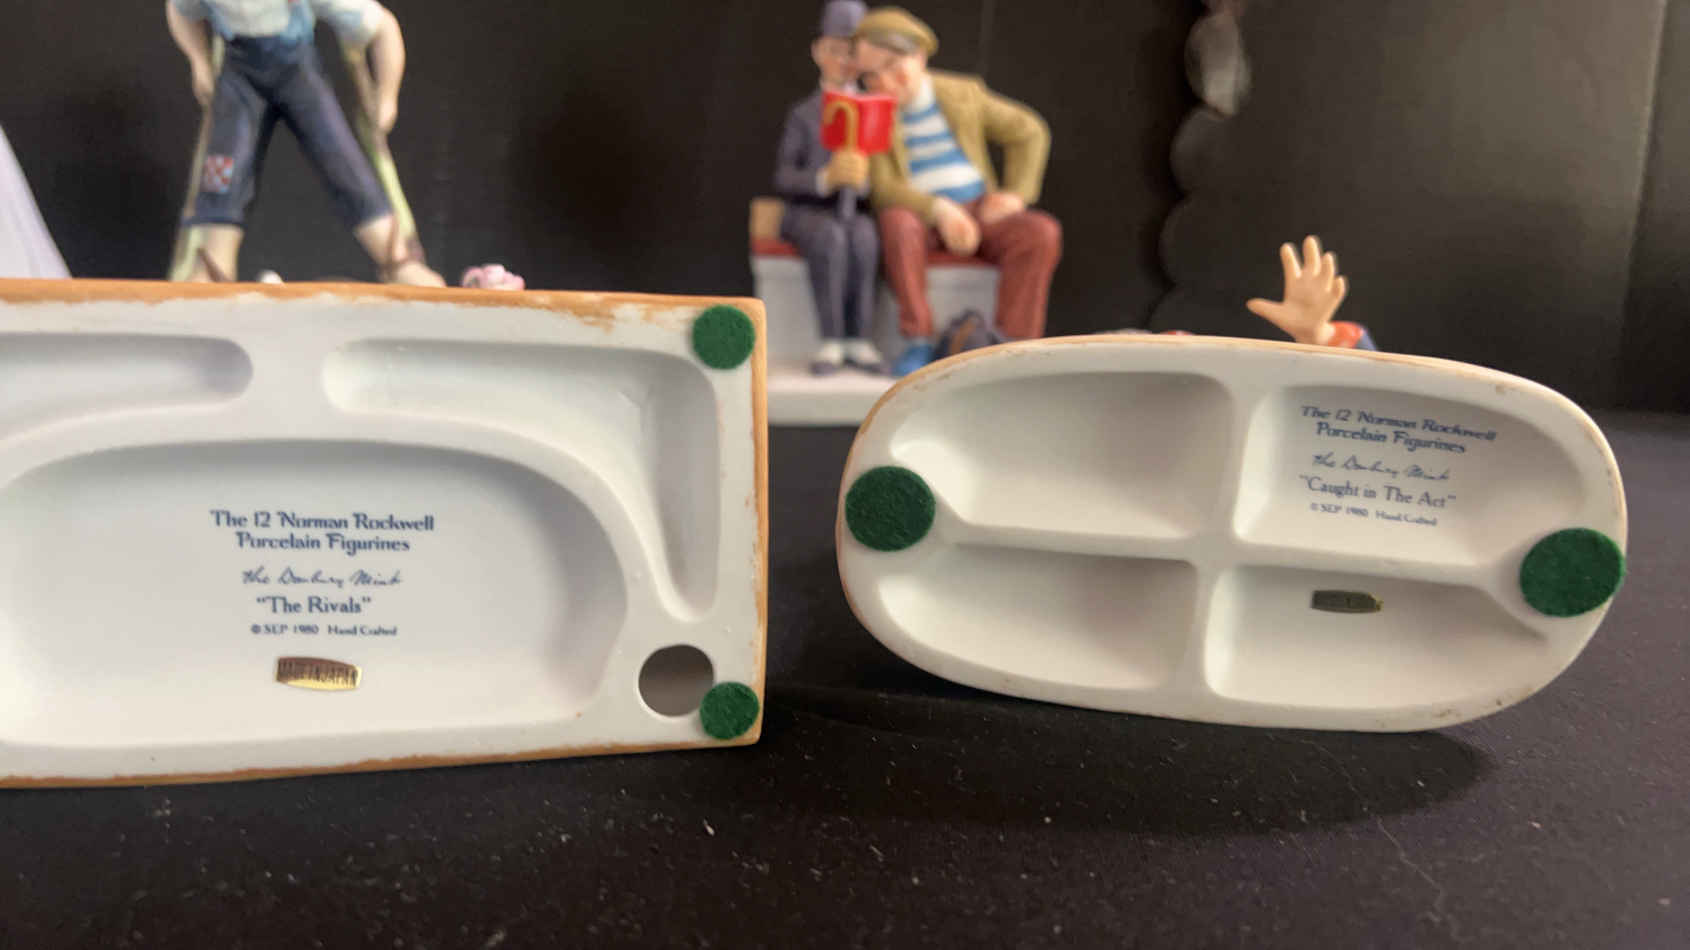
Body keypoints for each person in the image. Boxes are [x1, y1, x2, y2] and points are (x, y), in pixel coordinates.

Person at [165, 0, 443, 285]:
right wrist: (198, 59)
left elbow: (383, 28)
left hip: (297, 73)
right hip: (240, 76)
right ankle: (214, 264)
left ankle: (396, 258)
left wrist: (387, 98)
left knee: (342, 161)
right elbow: (180, 10)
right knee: (224, 169)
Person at [852, 6, 1062, 376]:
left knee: (1039, 232)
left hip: (981, 208)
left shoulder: (962, 93)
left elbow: (1028, 131)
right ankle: (918, 338)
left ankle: (1013, 345)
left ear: (919, 56)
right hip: (922, 216)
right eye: (871, 75)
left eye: (893, 65)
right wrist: (939, 209)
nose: (884, 80)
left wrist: (1015, 194)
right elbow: (883, 188)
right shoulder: (872, 115)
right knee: (896, 222)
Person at [773, 0, 886, 375]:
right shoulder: (802, 114)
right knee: (831, 237)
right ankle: (831, 339)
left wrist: (864, 180)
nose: (843, 62)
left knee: (865, 237)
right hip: (809, 212)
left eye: (851, 53)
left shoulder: (876, 111)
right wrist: (825, 179)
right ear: (818, 52)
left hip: (857, 210)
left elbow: (887, 177)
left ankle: (860, 338)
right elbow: (783, 176)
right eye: (835, 51)